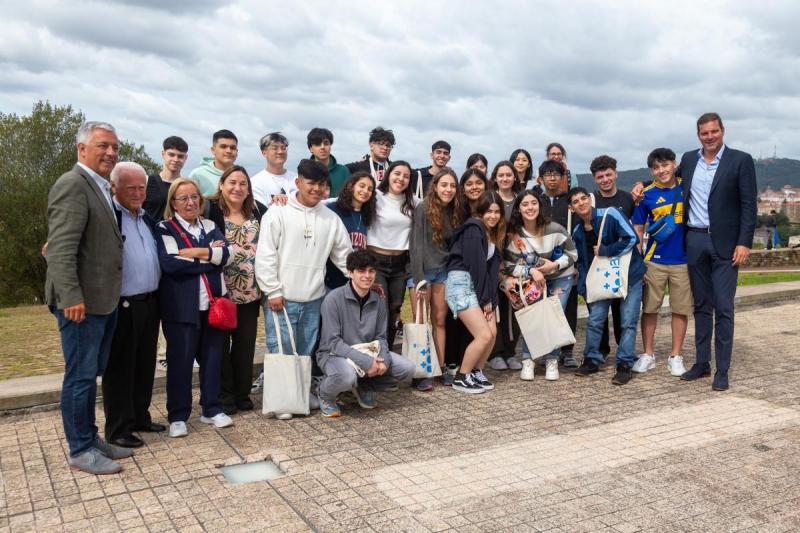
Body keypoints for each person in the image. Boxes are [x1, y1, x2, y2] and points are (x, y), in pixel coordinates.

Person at [45, 121, 132, 474]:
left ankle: (90, 437)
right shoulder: (72, 185)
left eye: (114, 146)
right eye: (102, 146)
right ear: (82, 149)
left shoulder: (98, 187)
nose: (111, 152)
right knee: (79, 377)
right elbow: (61, 250)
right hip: (81, 303)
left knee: (89, 374)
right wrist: (71, 297)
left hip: (102, 299)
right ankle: (80, 449)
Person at [255, 159, 352, 418]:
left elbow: (343, 255)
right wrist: (272, 290)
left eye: (322, 185)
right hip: (282, 297)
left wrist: (358, 276)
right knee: (282, 349)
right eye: (312, 183)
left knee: (305, 350)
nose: (317, 189)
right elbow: (266, 255)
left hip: (313, 297)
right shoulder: (277, 213)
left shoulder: (330, 218)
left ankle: (300, 394)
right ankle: (283, 401)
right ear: (297, 182)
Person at [678, 113, 757, 391]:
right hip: (695, 240)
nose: (709, 137)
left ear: (722, 130)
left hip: (726, 245)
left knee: (724, 306)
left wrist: (744, 241)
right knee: (701, 306)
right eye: (704, 133)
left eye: (713, 131)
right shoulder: (689, 159)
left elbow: (749, 205)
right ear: (698, 135)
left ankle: (722, 369)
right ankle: (702, 363)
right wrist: (641, 185)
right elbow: (666, 178)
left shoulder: (740, 160)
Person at [156, 178, 233, 437]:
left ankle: (211, 408)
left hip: (212, 306)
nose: (190, 203)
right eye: (183, 198)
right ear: (173, 203)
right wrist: (209, 256)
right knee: (181, 362)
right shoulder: (165, 228)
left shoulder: (210, 225)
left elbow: (227, 256)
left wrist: (192, 253)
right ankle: (178, 415)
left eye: (194, 197)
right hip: (181, 308)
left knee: (212, 359)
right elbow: (170, 263)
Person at [102, 162, 163, 450]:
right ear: (115, 188)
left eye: (142, 187)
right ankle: (118, 428)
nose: (138, 193)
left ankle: (140, 417)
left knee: (144, 365)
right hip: (123, 304)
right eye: (131, 188)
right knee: (121, 368)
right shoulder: (109, 217)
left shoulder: (146, 218)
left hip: (150, 302)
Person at [315, 250, 415, 417]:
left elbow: (380, 337)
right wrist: (367, 362)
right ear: (350, 273)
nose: (367, 276)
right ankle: (324, 394)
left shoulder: (378, 300)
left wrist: (383, 360)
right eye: (361, 271)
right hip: (333, 354)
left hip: (367, 351)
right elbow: (333, 342)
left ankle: (362, 387)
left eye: (371, 271)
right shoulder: (333, 299)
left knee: (407, 369)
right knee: (346, 377)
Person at [204, 166, 267, 415]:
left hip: (250, 292)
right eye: (232, 182)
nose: (237, 188)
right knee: (219, 346)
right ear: (221, 185)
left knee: (245, 345)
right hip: (221, 292)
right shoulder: (210, 211)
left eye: (243, 183)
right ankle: (225, 395)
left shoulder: (257, 211)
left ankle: (242, 394)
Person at [569, 187, 646, 385]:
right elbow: (583, 263)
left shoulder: (610, 213)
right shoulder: (577, 231)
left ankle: (625, 364)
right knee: (595, 320)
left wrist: (606, 250)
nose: (581, 203)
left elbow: (632, 238)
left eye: (583, 198)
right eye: (576, 201)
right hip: (601, 279)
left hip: (629, 275)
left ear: (590, 199)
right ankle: (592, 359)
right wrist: (584, 287)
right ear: (571, 208)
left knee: (628, 321)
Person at [504, 190, 577, 381]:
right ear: (518, 209)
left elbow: (572, 254)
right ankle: (529, 359)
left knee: (553, 314)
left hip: (560, 276)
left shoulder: (555, 228)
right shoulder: (515, 236)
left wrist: (554, 265)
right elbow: (510, 265)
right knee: (535, 316)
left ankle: (552, 360)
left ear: (540, 206)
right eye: (525, 204)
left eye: (533, 203)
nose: (530, 208)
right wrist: (531, 271)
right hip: (531, 280)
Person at [631, 148, 691, 377]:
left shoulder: (687, 185)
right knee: (649, 308)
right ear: (651, 171)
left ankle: (675, 356)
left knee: (680, 309)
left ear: (674, 164)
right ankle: (648, 354)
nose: (662, 170)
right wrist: (639, 255)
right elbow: (638, 227)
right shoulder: (646, 194)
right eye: (656, 167)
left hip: (683, 259)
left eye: (665, 165)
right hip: (655, 259)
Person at [445, 191, 503, 394]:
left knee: (492, 333)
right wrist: (485, 299)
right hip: (461, 284)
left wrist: (491, 301)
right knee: (483, 335)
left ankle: (476, 371)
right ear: (480, 211)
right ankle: (462, 376)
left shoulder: (491, 234)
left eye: (497, 212)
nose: (493, 216)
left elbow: (490, 271)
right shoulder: (474, 229)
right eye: (489, 211)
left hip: (477, 286)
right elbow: (475, 266)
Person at [410, 168, 463, 390]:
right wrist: (419, 278)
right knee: (421, 323)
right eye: (444, 185)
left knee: (440, 321)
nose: (448, 189)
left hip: (442, 271)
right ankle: (421, 373)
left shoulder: (455, 210)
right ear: (436, 186)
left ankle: (439, 368)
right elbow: (416, 244)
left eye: (452, 186)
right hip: (421, 272)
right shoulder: (423, 207)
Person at [442, 168, 488, 382]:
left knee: (478, 327)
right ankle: (456, 366)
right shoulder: (457, 211)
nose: (474, 187)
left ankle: (469, 368)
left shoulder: (489, 210)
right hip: (458, 274)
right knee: (455, 322)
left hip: (476, 276)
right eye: (469, 183)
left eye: (478, 183)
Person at [367, 161, 418, 348]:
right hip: (376, 261)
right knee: (380, 307)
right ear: (388, 174)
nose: (401, 178)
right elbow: (342, 200)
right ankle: (374, 353)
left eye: (406, 176)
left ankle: (385, 352)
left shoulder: (414, 201)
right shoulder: (375, 196)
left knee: (395, 307)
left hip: (400, 264)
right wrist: (290, 197)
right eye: (397, 173)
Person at [590, 155, 634, 360]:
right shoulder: (591, 200)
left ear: (616, 174)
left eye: (608, 174)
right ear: (594, 179)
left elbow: (634, 232)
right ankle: (601, 351)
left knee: (621, 312)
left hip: (622, 261)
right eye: (600, 176)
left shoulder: (627, 199)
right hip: (599, 262)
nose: (605, 179)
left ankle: (623, 351)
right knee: (598, 311)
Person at [487, 161, 523, 371]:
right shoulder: (491, 199)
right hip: (494, 260)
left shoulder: (520, 200)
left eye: (509, 175)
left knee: (515, 304)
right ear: (495, 177)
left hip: (516, 261)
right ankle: (495, 352)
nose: (505, 178)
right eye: (501, 175)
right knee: (495, 306)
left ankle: (510, 351)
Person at [325, 171, 377, 290]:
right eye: (362, 186)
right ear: (351, 186)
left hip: (356, 280)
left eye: (370, 189)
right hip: (332, 277)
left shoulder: (367, 215)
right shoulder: (333, 208)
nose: (365, 191)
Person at [144, 136, 189, 221]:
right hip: (149, 232)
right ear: (163, 154)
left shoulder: (186, 186)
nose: (175, 159)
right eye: (171, 155)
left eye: (180, 156)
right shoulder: (147, 182)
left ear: (185, 158)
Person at [251, 132, 297, 206]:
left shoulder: (297, 179)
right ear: (264, 152)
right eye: (275, 148)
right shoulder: (255, 182)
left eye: (283, 148)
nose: (280, 152)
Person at [188, 130, 238, 197]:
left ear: (237, 151)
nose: (228, 151)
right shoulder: (197, 175)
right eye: (223, 146)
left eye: (232, 148)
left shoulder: (241, 176)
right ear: (213, 150)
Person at [307, 127, 350, 196]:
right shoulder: (305, 172)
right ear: (311, 148)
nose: (322, 147)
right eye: (318, 144)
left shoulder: (343, 171)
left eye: (326, 143)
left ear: (330, 146)